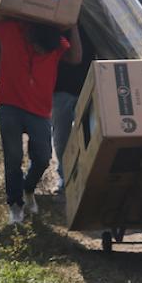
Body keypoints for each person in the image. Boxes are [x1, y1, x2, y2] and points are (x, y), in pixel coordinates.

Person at [0, 0, 83, 225]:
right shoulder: (11, 29)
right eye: (38, 48)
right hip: (9, 106)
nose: (41, 52)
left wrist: (73, 24)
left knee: (42, 158)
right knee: (13, 158)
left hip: (39, 110)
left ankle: (28, 189)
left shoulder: (53, 41)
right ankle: (15, 205)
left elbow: (76, 58)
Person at [52, 26, 95, 196]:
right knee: (62, 135)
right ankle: (64, 176)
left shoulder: (95, 15)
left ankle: (86, 177)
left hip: (88, 85)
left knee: (89, 135)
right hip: (61, 85)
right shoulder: (60, 17)